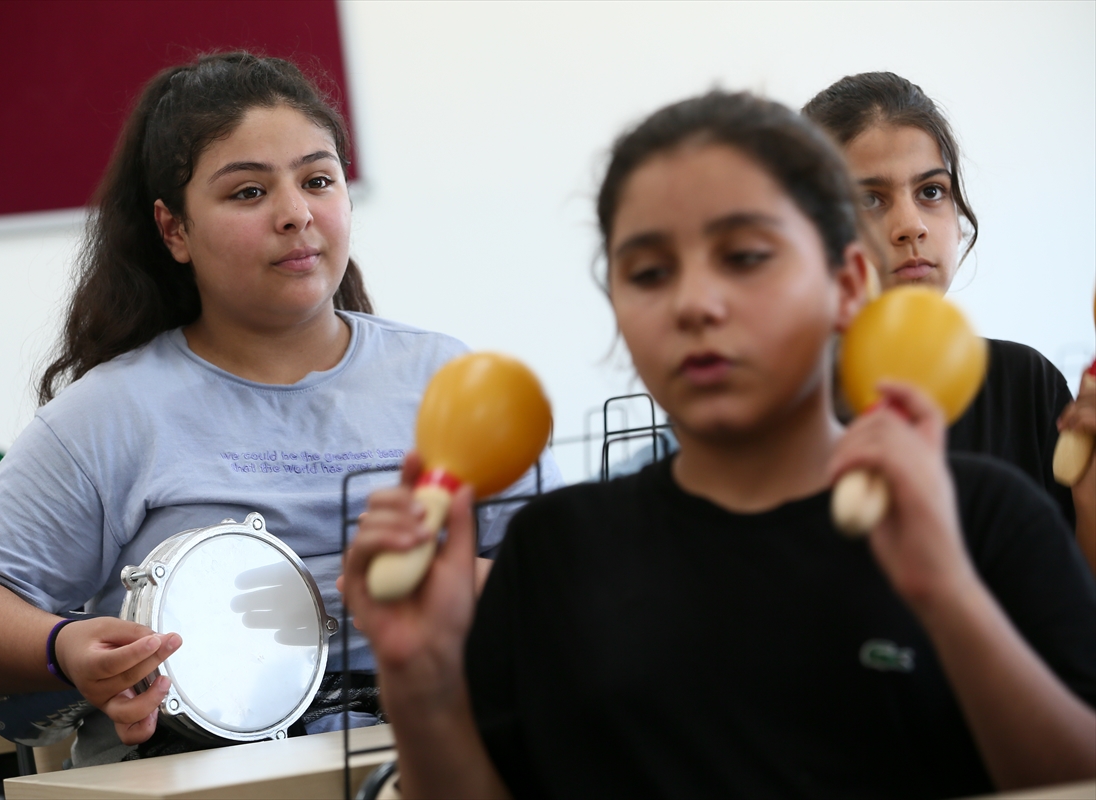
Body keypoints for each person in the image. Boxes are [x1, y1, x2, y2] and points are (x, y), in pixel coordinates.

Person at [341, 91, 1096, 798]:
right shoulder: (554, 553)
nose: (696, 303)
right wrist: (423, 686)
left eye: (744, 257)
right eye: (649, 272)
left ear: (848, 284)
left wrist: (948, 593)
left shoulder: (989, 518)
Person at [0, 52, 559, 766]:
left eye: (318, 180)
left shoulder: (446, 378)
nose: (295, 214)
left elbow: (563, 594)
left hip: (436, 753)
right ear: (174, 230)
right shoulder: (112, 413)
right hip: (197, 772)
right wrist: (64, 647)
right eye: (248, 193)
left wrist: (454, 583)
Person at [804, 72, 1096, 573]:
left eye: (932, 191)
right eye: (870, 199)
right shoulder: (791, 412)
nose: (912, 225)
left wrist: (1091, 500)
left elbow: (1075, 625)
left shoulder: (1025, 384)